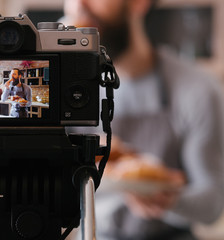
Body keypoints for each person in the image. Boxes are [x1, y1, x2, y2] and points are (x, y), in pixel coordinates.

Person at [64, 0, 224, 239]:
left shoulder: (197, 90)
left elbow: (211, 204)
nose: (78, 6)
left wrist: (168, 201)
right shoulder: (64, 89)